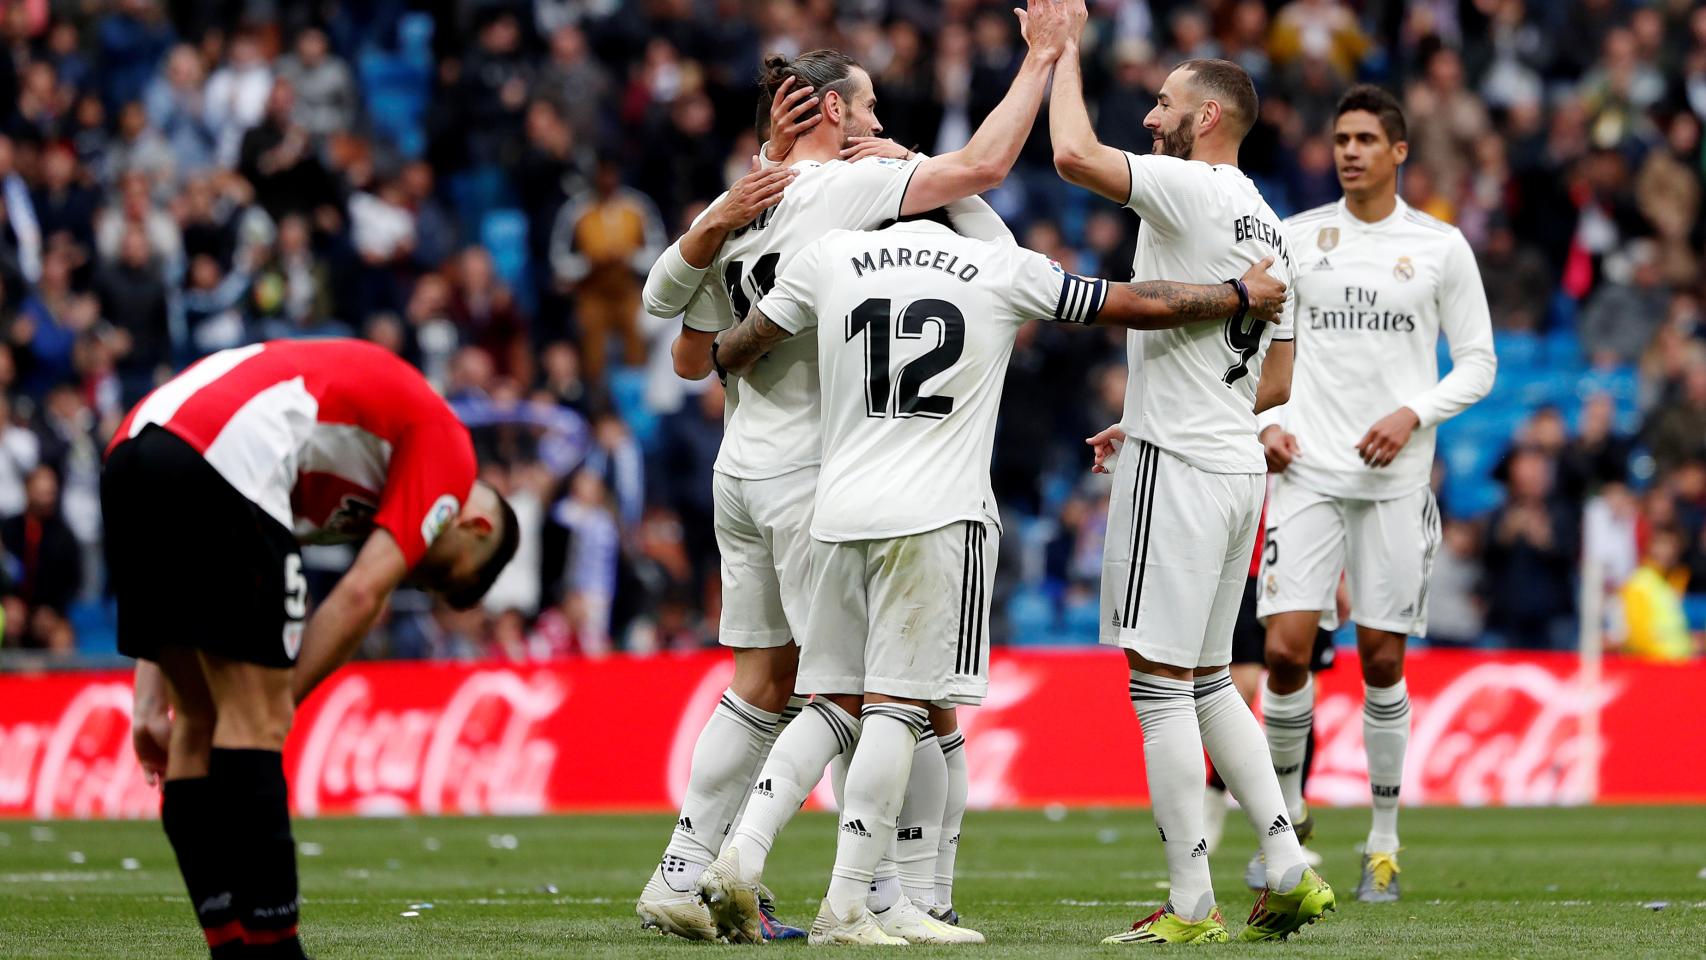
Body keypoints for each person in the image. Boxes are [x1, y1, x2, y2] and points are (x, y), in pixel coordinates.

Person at [704, 212, 1287, 946]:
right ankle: (851, 903)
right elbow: (1131, 302)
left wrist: (715, 351)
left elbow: (742, 342)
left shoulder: (834, 254)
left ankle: (741, 852)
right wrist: (1235, 293)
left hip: (836, 507)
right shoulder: (998, 268)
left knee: (829, 702)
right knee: (896, 709)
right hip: (937, 515)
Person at [632, 5, 1080, 941]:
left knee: (763, 683)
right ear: (830, 111)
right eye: (868, 109)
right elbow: (986, 168)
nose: (878, 127)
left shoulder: (745, 198)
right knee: (863, 692)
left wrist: (719, 239)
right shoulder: (844, 191)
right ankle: (874, 895)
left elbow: (688, 357)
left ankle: (683, 873)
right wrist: (1041, 59)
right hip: (817, 471)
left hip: (741, 467)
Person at [1051, 33, 1335, 941]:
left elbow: (1071, 155)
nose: (1150, 116)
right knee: (1211, 681)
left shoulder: (1191, 185)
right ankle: (1288, 864)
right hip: (1233, 464)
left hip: (1176, 468)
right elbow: (1277, 382)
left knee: (1157, 688)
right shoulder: (1270, 222)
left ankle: (1190, 904)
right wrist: (1152, 409)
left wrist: (1060, 57)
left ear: (1206, 117)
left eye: (1165, 103)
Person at [107, 339, 520, 959]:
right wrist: (273, 702)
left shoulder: (357, 470)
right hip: (223, 457)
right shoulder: (451, 457)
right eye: (440, 576)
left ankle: (231, 944)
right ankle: (276, 949)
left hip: (135, 449)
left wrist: (150, 695)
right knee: (252, 719)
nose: (416, 576)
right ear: (474, 528)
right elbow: (361, 594)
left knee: (196, 718)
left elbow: (193, 582)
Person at [1254, 85, 1496, 904]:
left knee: (1382, 660)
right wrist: (1268, 424)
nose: (1350, 151)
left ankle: (1384, 844)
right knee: (1284, 651)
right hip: (1307, 472)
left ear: (1399, 152)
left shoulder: (1438, 247)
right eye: (1341, 139)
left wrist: (1413, 411)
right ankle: (1286, 822)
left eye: (1366, 139)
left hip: (1394, 483)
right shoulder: (1297, 238)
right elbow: (1259, 348)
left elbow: (1478, 361)